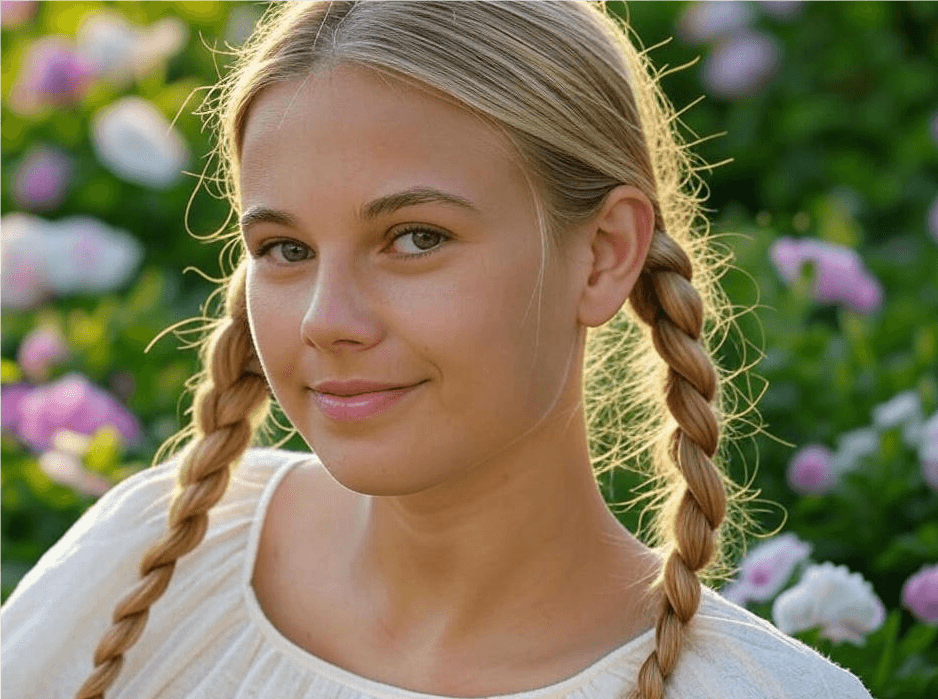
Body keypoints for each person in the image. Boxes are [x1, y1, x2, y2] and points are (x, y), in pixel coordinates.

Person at [1, 2, 875, 698]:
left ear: (603, 252)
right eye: (286, 249)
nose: (324, 319)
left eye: (415, 238)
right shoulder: (155, 567)